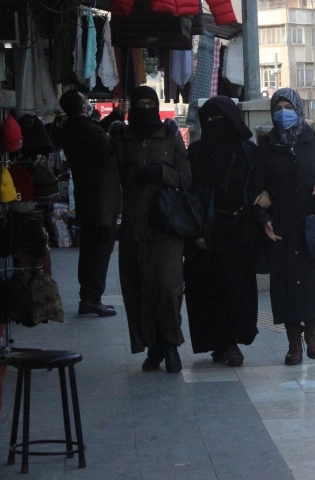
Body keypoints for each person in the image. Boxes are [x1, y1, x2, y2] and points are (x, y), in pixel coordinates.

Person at [112, 86, 191, 374]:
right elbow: (109, 175)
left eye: (150, 103)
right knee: (139, 288)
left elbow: (186, 177)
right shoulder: (123, 139)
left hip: (167, 227)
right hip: (133, 225)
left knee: (168, 288)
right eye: (140, 103)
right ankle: (153, 346)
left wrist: (162, 173)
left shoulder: (170, 137)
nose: (146, 108)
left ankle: (171, 344)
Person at [184, 96, 267, 367]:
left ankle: (231, 342)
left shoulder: (247, 152)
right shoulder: (196, 153)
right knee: (208, 291)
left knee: (237, 290)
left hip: (239, 231)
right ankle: (218, 344)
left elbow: (259, 186)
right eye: (210, 120)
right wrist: (194, 232)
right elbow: (189, 194)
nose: (215, 126)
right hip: (205, 234)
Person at [258, 88, 315, 366]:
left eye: (287, 106)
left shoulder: (313, 140)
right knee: (285, 285)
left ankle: (312, 333)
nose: (282, 112)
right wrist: (264, 215)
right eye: (277, 107)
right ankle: (293, 342)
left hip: (309, 225)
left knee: (313, 282)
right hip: (280, 227)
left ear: (298, 108)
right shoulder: (267, 144)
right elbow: (256, 185)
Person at [59, 90, 120, 317]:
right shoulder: (87, 130)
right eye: (86, 100)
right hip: (100, 199)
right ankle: (93, 298)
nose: (89, 103)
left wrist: (113, 117)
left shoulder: (71, 128)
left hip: (86, 197)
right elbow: (107, 149)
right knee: (100, 248)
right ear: (83, 107)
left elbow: (95, 132)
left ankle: (88, 297)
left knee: (89, 249)